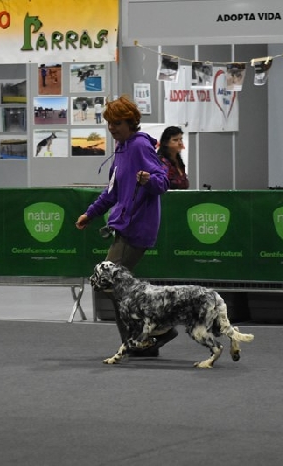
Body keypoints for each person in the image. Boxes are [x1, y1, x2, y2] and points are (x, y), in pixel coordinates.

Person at [75, 95, 176, 357]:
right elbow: (112, 192)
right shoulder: (121, 149)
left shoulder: (139, 146)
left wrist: (147, 180)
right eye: (109, 123)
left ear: (131, 122)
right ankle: (144, 339)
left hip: (137, 227)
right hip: (123, 226)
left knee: (108, 282)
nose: (112, 128)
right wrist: (90, 214)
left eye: (117, 123)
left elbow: (163, 182)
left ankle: (155, 331)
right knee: (117, 288)